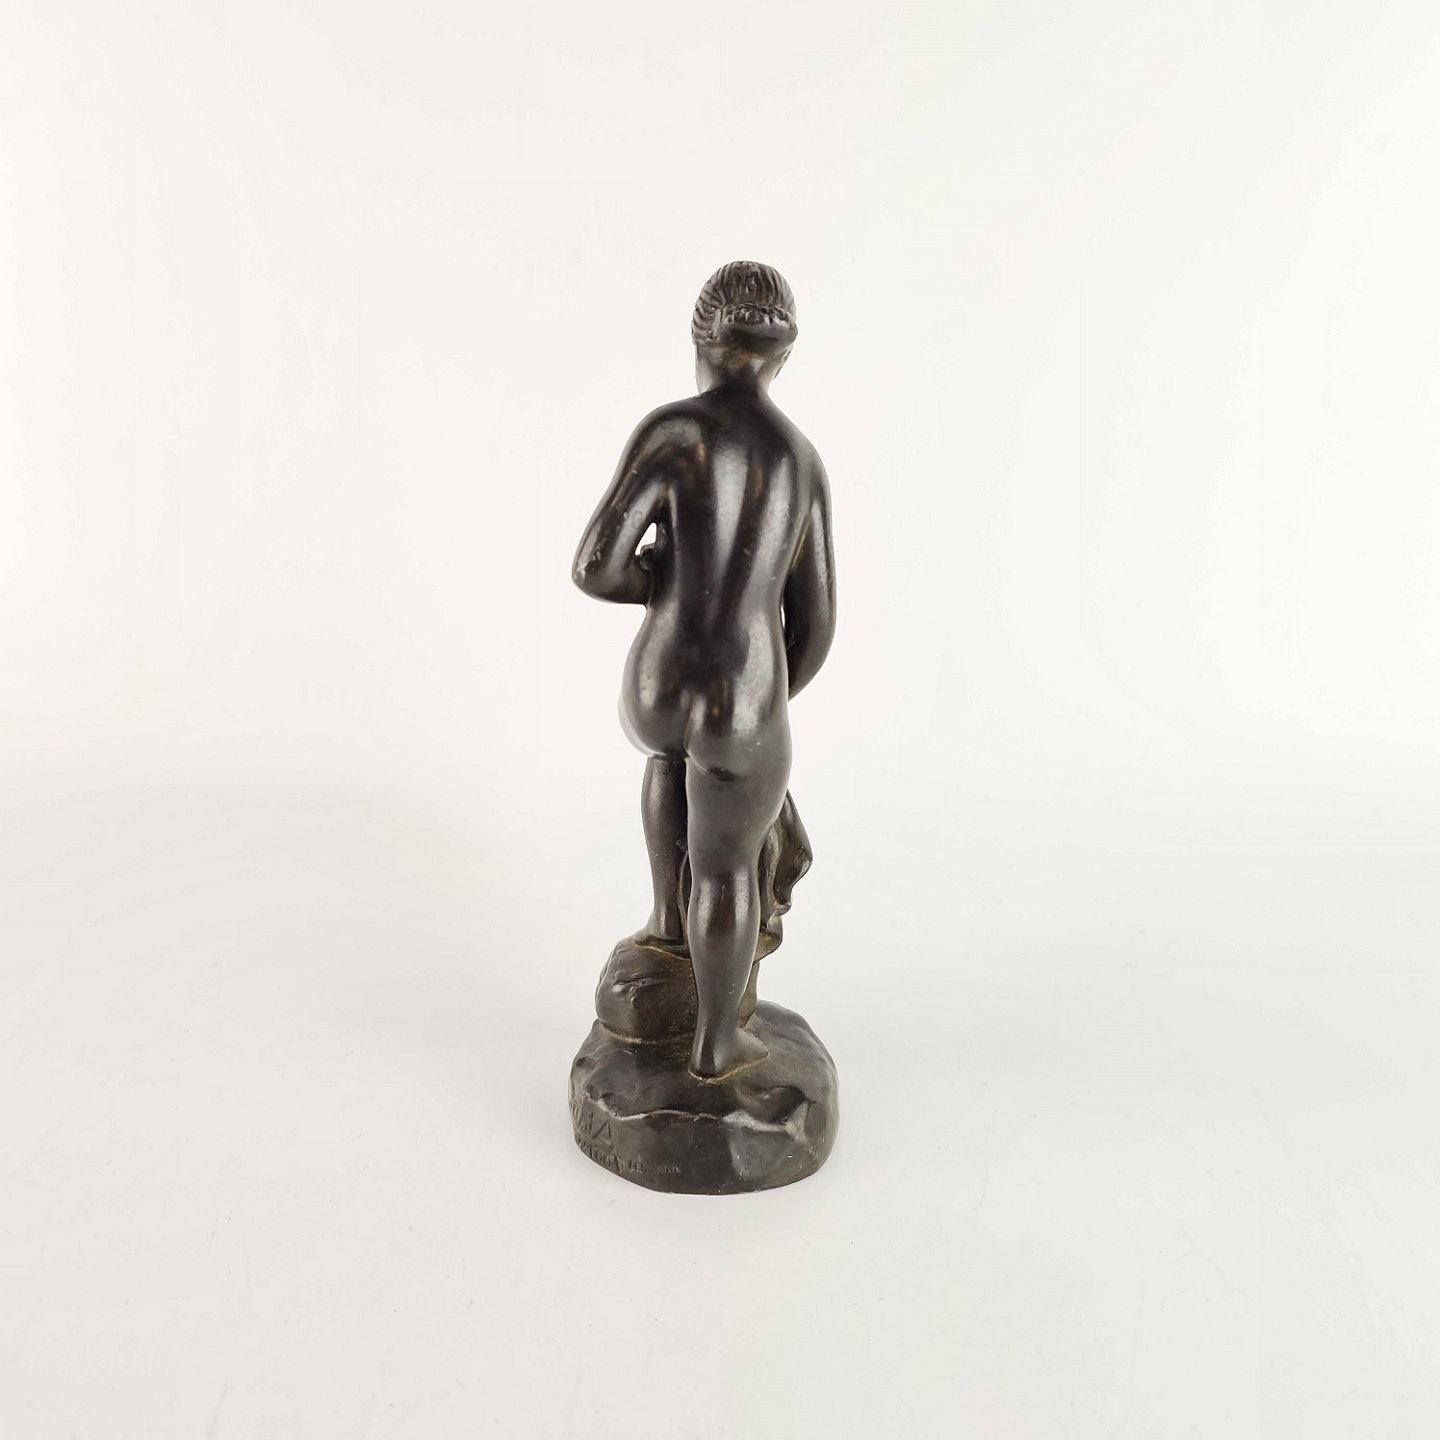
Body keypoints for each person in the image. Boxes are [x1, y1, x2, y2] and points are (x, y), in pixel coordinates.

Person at [573, 261, 836, 1079]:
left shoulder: (670, 432)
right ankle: (718, 1042)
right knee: (726, 865)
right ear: (784, 355)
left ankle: (666, 923)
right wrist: (764, 706)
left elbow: (596, 568)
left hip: (658, 681)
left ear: (700, 341)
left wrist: (662, 582)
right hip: (739, 696)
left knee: (666, 763)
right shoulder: (798, 461)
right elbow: (816, 623)